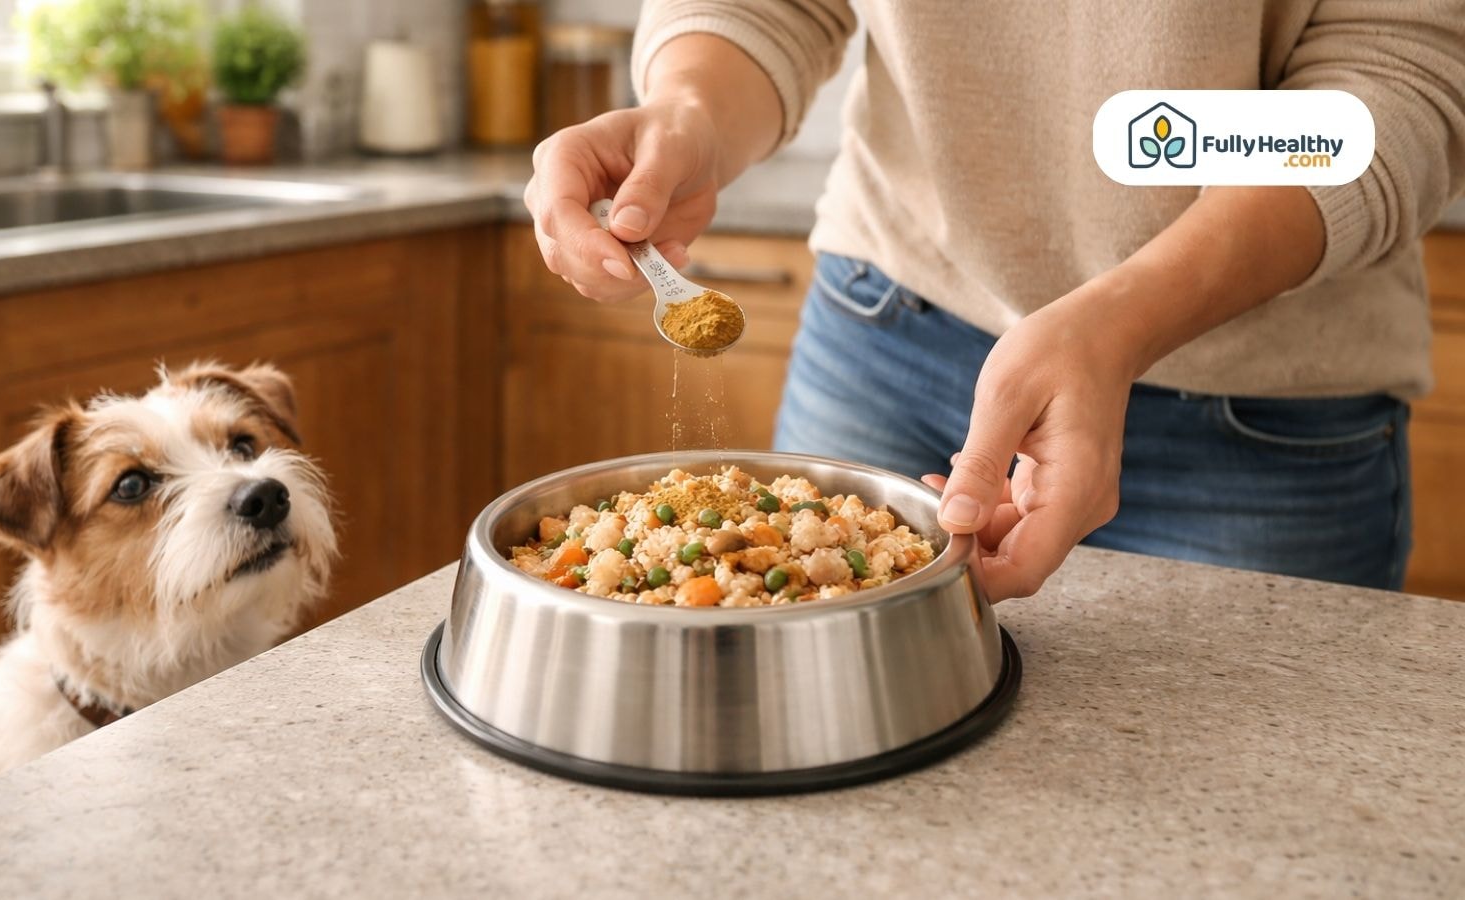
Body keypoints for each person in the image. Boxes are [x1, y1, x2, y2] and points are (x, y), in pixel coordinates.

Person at [523, 1, 1465, 600]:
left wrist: (1125, 319)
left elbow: (1394, 85)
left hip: (1259, 420)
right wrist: (688, 112)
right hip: (885, 334)